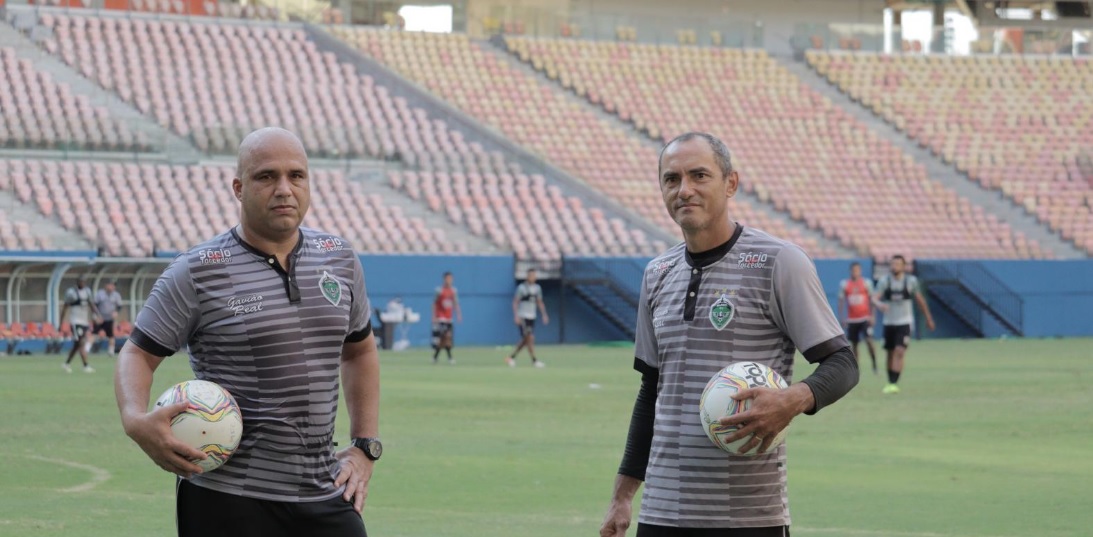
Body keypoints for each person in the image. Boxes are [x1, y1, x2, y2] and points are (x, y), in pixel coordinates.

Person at [114, 128, 381, 537]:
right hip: (227, 497)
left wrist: (364, 446)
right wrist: (135, 420)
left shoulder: (339, 259)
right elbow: (137, 354)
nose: (284, 189)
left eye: (296, 175)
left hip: (324, 490)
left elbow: (359, 351)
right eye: (266, 176)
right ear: (239, 188)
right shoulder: (197, 270)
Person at [600, 132, 859, 537]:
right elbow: (652, 390)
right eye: (672, 179)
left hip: (749, 516)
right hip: (662, 512)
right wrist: (623, 495)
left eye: (699, 175)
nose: (684, 189)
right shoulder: (657, 273)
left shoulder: (779, 262)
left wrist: (792, 400)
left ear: (731, 183)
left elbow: (843, 363)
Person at [872, 254, 935, 394]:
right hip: (889, 322)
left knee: (900, 351)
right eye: (893, 264)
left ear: (903, 266)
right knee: (890, 352)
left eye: (897, 264)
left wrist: (928, 318)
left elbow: (920, 300)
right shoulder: (885, 281)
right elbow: (874, 298)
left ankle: (894, 382)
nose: (894, 266)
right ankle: (890, 381)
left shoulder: (911, 281)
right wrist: (879, 304)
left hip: (905, 322)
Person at [838, 262, 877, 375]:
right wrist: (842, 317)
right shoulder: (845, 284)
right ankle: (856, 369)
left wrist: (873, 316)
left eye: (857, 270)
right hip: (852, 320)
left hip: (865, 318)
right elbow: (841, 301)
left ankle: (874, 364)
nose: (855, 272)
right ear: (850, 271)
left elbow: (872, 300)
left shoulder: (866, 283)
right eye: (853, 270)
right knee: (854, 345)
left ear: (860, 271)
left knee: (869, 341)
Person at [505, 268, 548, 368]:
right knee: (530, 337)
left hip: (532, 316)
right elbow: (515, 302)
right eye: (531, 275)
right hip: (523, 316)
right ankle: (534, 360)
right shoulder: (522, 288)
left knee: (526, 340)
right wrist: (516, 315)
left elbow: (539, 302)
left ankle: (511, 357)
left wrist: (544, 314)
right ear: (527, 277)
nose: (533, 277)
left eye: (534, 275)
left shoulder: (537, 288)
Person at [60, 277, 98, 373]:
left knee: (77, 345)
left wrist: (97, 315)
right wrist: (61, 323)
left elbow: (91, 305)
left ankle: (66, 364)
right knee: (81, 343)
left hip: (84, 321)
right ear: (77, 282)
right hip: (75, 322)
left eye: (84, 281)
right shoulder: (71, 293)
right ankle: (85, 365)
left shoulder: (87, 292)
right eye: (81, 281)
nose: (82, 283)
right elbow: (65, 308)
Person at [431, 271, 462, 365]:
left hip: (449, 318)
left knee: (444, 339)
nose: (449, 280)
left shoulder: (453, 291)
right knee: (445, 337)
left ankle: (435, 357)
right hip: (441, 318)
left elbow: (455, 303)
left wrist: (458, 314)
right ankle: (450, 358)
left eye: (450, 279)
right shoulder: (439, 290)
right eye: (447, 278)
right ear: (444, 279)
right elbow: (434, 304)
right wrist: (434, 316)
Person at [91, 280, 124, 356]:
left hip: (109, 318)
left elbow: (119, 306)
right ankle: (86, 348)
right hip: (100, 318)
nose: (112, 287)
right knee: (94, 333)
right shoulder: (100, 294)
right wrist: (97, 316)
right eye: (111, 285)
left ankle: (111, 351)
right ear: (106, 285)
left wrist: (116, 312)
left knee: (111, 335)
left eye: (113, 286)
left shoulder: (116, 295)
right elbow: (94, 305)